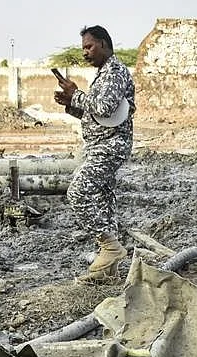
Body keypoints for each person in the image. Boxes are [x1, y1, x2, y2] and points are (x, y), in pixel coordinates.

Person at [53, 25, 136, 284]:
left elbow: (105, 106)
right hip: (99, 144)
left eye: (89, 47)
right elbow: (99, 116)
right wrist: (71, 104)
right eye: (83, 49)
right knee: (102, 201)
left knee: (78, 192)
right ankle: (107, 273)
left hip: (110, 146)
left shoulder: (114, 72)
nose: (85, 53)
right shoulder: (103, 74)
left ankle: (110, 246)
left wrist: (76, 95)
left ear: (103, 43)